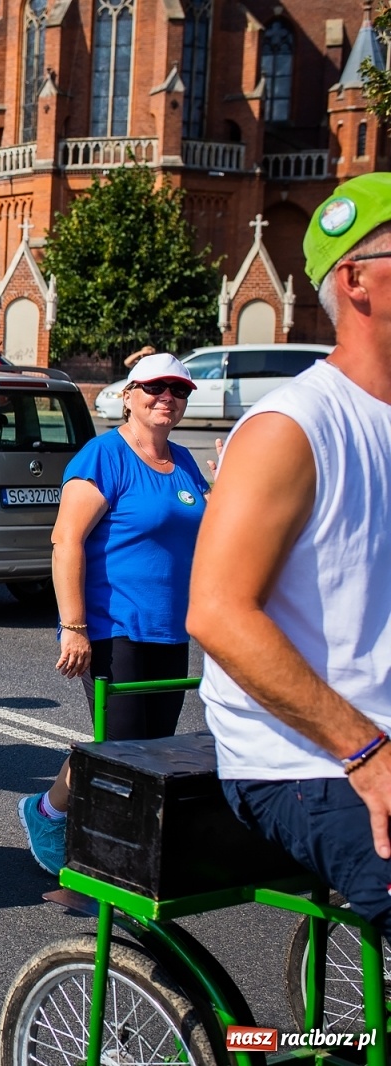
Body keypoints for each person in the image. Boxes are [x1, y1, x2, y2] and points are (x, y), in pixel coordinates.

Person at [189, 173, 391, 937]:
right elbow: (217, 612)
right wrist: (367, 750)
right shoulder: (293, 427)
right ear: (357, 281)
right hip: (310, 764)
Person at [16, 353, 209, 875]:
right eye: (154, 388)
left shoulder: (185, 462)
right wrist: (74, 627)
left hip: (169, 629)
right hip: (112, 628)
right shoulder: (104, 456)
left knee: (150, 753)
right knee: (120, 751)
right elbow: (66, 541)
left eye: (178, 391)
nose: (166, 398)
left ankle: (49, 809)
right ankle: (94, 867)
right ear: (128, 395)